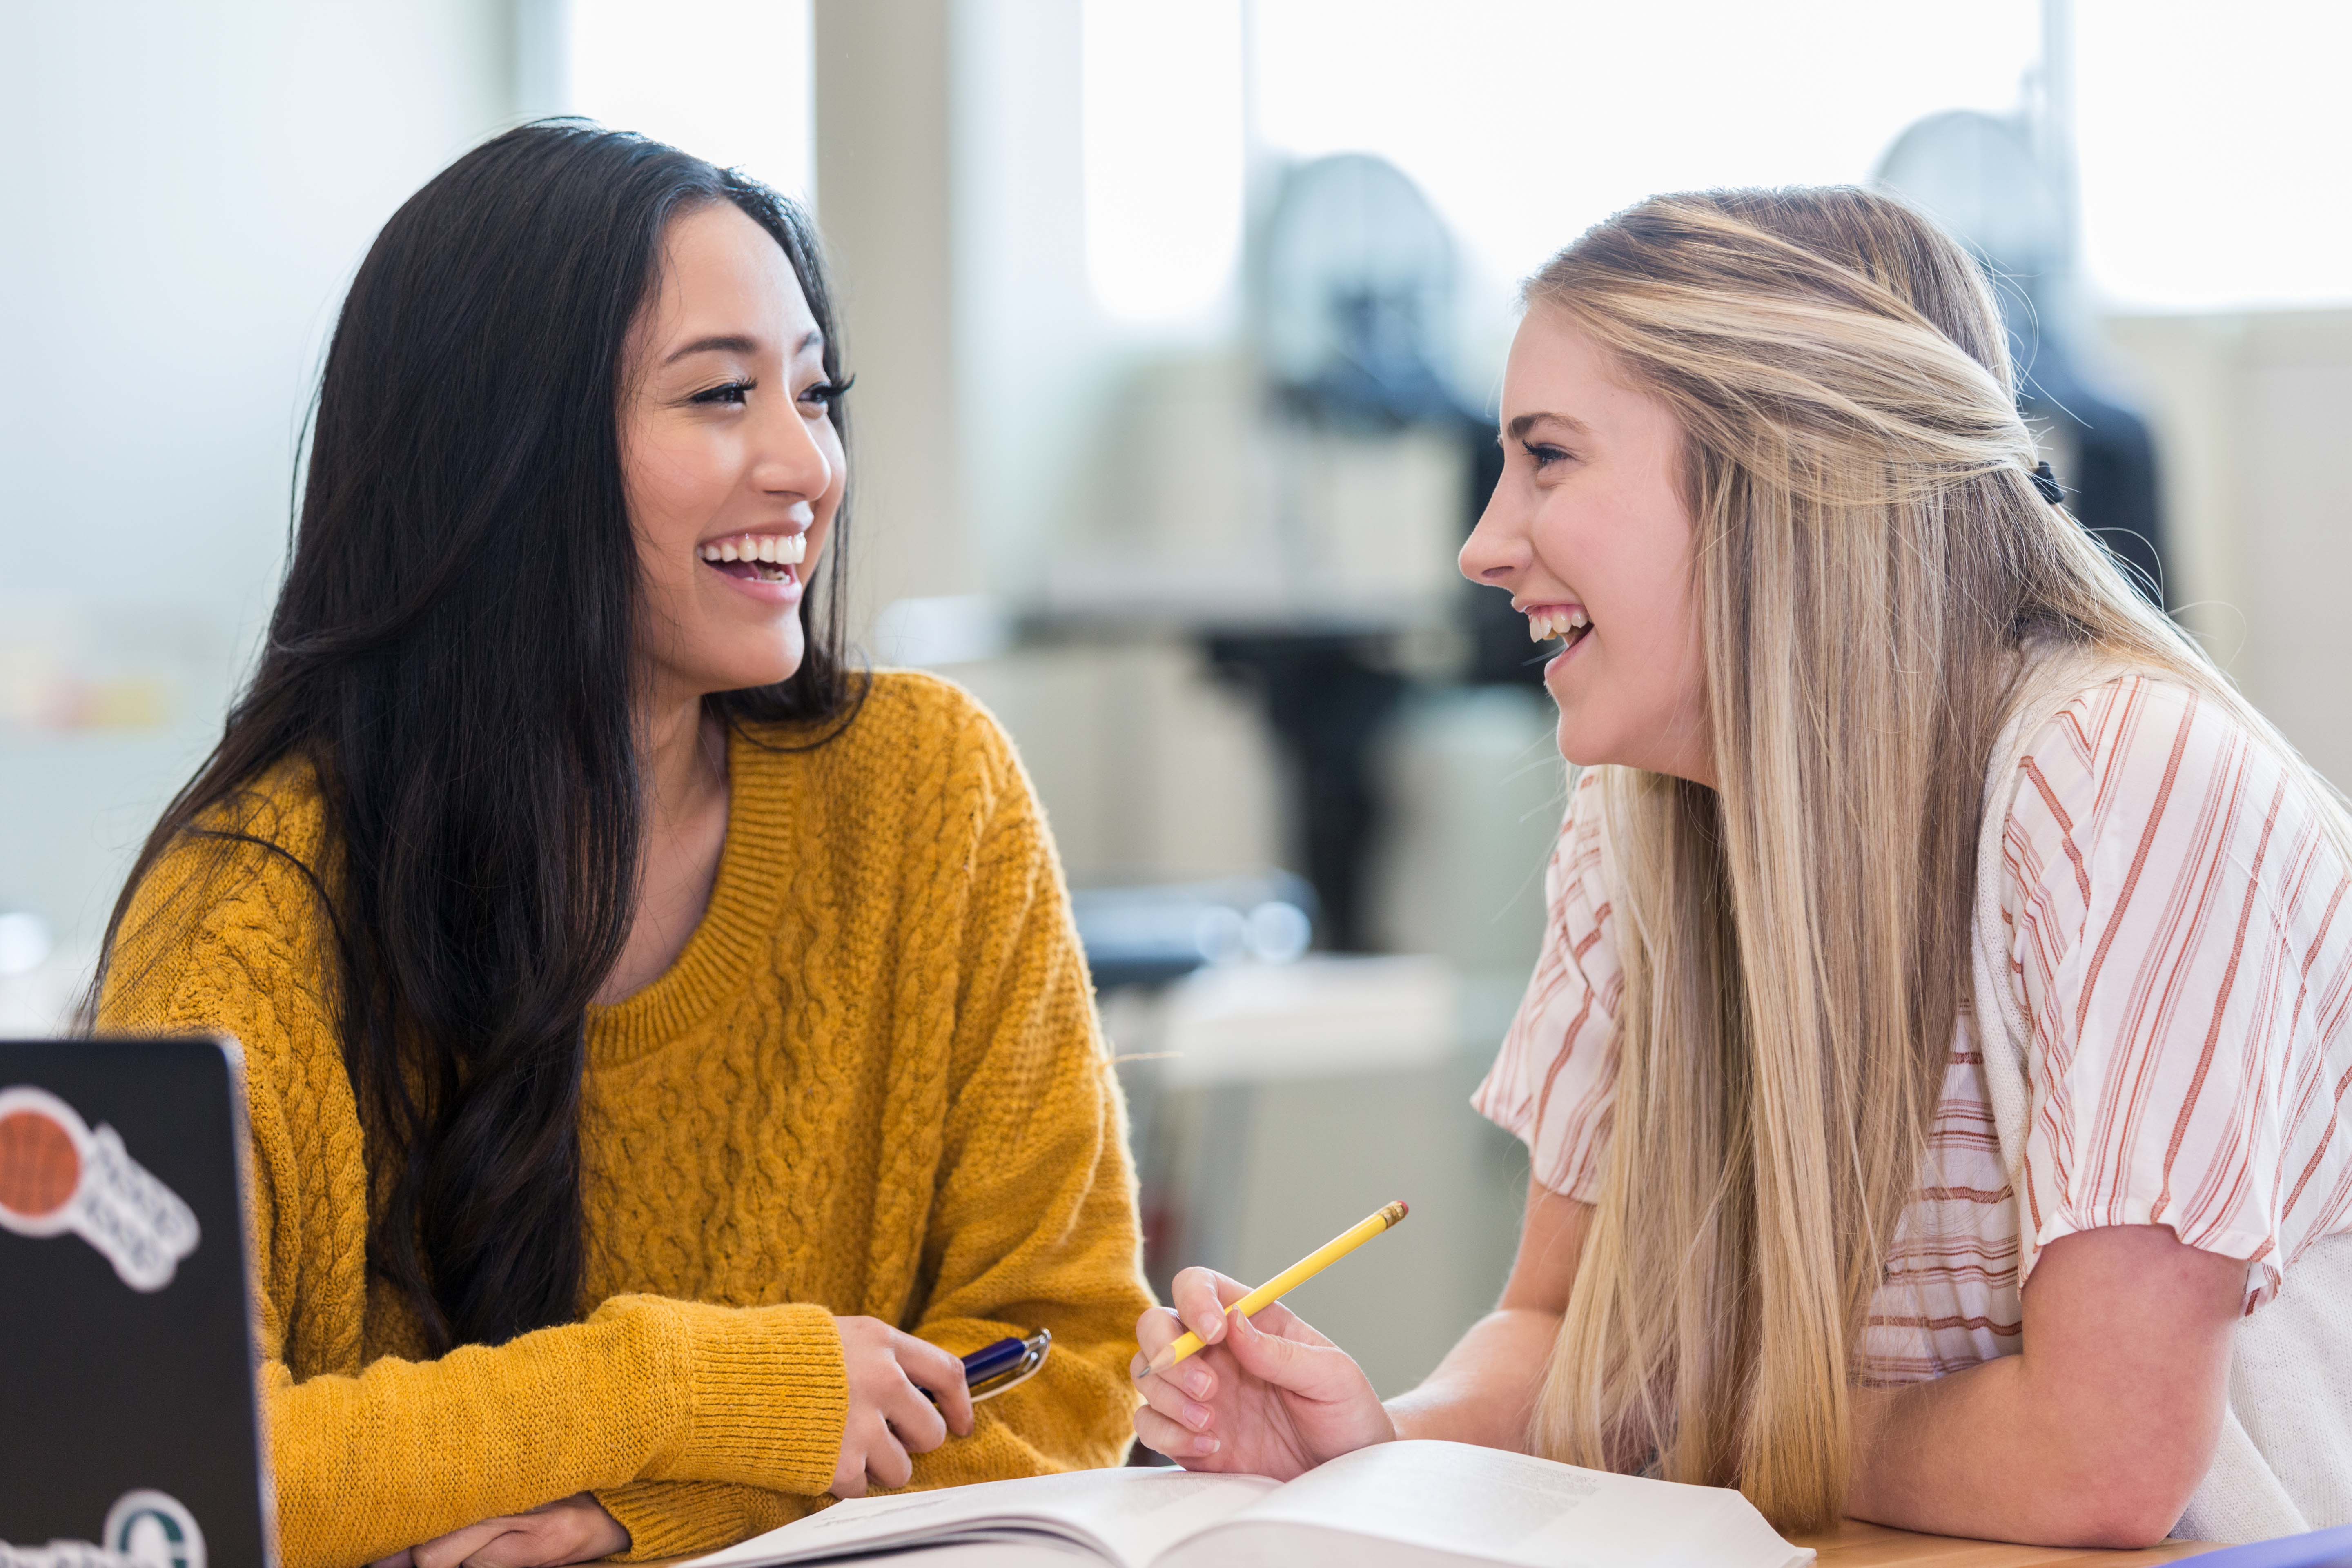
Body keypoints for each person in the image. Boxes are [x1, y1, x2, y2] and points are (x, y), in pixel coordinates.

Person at [1131, 187, 2352, 1549]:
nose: (1482, 545)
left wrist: (1697, 1428)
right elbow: (1563, 1331)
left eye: (1547, 459)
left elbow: (2100, 1462)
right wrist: (1380, 1441)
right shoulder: (1637, 819)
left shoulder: (2120, 780)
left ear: (1781, 474)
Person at [91, 122, 1150, 1568]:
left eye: (815, 394)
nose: (807, 465)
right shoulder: (252, 907)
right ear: (501, 460)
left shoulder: (931, 795)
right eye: (720, 395)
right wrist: (688, 1385)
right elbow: (166, 1469)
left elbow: (1070, 1358)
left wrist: (639, 1516)